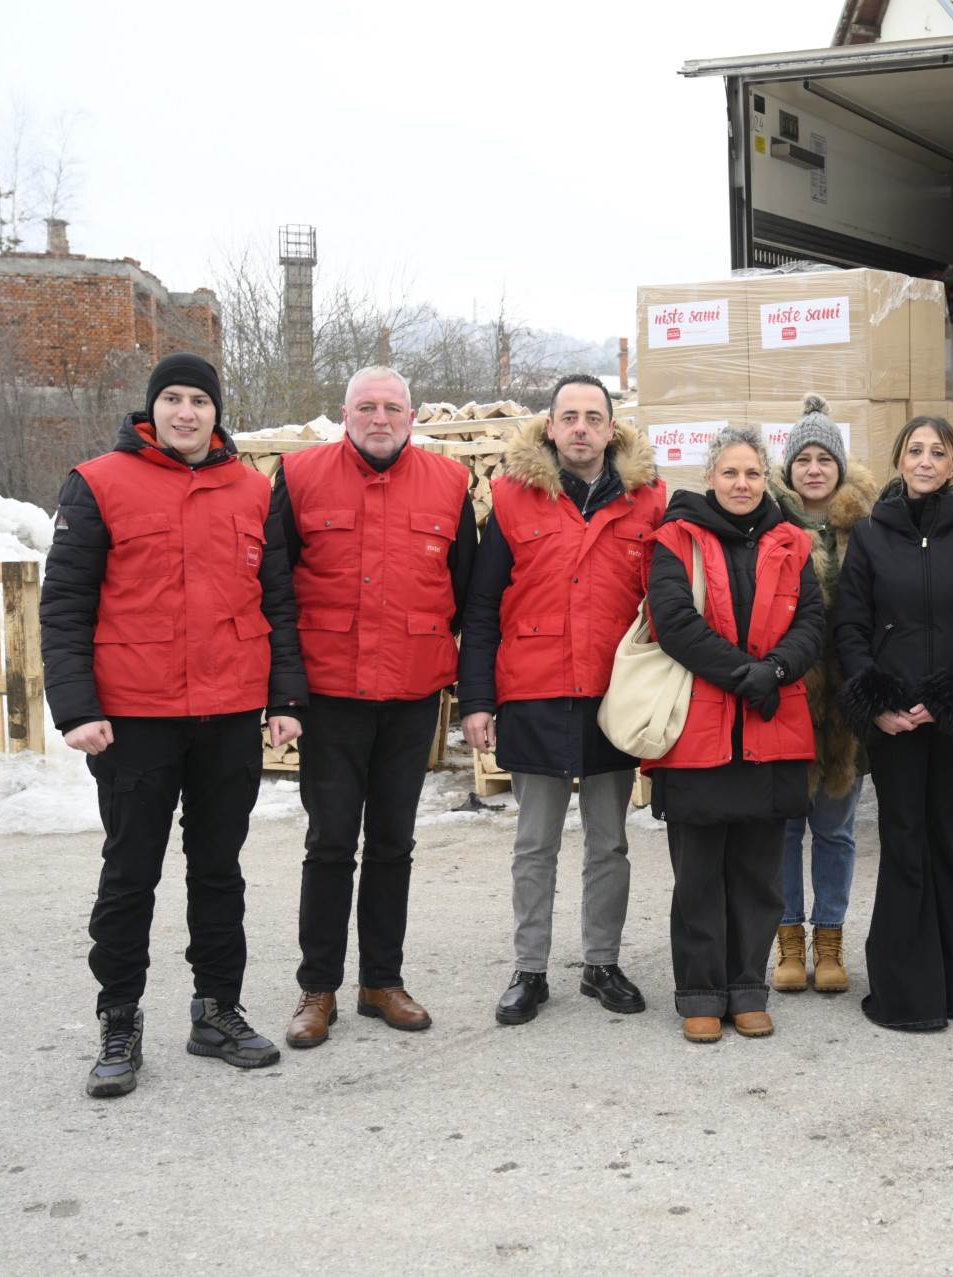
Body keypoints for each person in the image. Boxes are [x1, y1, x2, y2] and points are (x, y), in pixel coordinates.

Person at [42, 352, 306, 1098]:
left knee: (219, 869)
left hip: (227, 713)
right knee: (131, 872)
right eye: (173, 399)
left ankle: (216, 1009)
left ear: (217, 412)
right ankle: (119, 1019)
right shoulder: (97, 484)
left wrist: (285, 698)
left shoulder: (254, 491)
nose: (186, 412)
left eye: (199, 400)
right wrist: (77, 707)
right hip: (133, 717)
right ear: (151, 409)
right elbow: (64, 605)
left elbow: (278, 603)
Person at [271, 365, 477, 1049]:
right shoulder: (299, 477)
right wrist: (285, 693)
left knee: (394, 843)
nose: (380, 418)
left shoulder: (450, 485)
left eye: (393, 406)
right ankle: (318, 987)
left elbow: (470, 595)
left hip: (412, 696)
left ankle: (380, 980)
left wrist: (468, 690)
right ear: (345, 414)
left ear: (413, 417)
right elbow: (277, 595)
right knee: (330, 842)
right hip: (330, 697)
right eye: (367, 407)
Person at [458, 374, 667, 1025]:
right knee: (534, 843)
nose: (580, 427)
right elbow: (483, 608)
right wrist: (477, 700)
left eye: (592, 416)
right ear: (550, 427)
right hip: (535, 692)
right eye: (568, 416)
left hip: (614, 698)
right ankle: (530, 969)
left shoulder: (648, 501)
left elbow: (669, 603)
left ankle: (601, 962)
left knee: (609, 843)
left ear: (612, 428)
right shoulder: (514, 501)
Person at [642, 426, 824, 1044]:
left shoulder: (793, 542)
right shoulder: (677, 538)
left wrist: (774, 670)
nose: (741, 484)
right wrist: (742, 674)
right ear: (710, 476)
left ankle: (747, 989)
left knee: (758, 874)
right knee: (697, 873)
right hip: (698, 732)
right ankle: (699, 992)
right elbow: (673, 620)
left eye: (751, 473)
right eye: (730, 473)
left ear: (765, 477)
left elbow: (813, 620)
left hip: (772, 727)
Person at [834, 415, 953, 1031]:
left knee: (943, 839)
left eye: (939, 452)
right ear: (900, 462)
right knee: (905, 839)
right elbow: (850, 628)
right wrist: (875, 700)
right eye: (915, 451)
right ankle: (907, 993)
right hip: (893, 719)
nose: (927, 461)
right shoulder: (871, 536)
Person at [767, 394, 879, 995]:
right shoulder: (769, 524)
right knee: (785, 827)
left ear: (840, 466)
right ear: (789, 469)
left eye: (824, 458)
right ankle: (787, 942)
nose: (814, 469)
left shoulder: (866, 527)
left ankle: (829, 940)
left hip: (845, 702)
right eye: (803, 458)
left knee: (835, 829)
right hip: (786, 697)